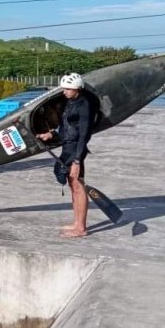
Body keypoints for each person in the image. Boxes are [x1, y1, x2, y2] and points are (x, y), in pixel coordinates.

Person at [37, 72, 93, 238]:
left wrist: (77, 160)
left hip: (76, 149)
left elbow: (84, 134)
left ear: (77, 88)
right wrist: (51, 135)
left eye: (68, 89)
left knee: (78, 186)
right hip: (67, 147)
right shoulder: (70, 102)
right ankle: (76, 223)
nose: (64, 91)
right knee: (72, 185)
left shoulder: (84, 105)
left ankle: (81, 228)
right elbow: (66, 127)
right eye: (64, 89)